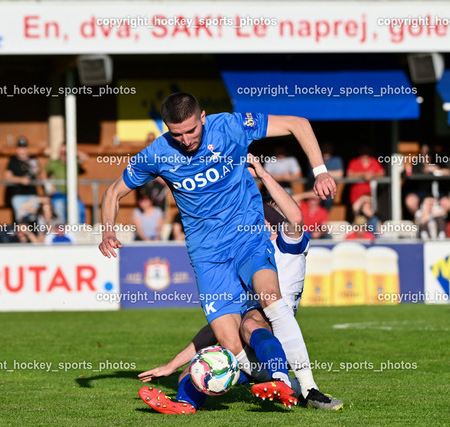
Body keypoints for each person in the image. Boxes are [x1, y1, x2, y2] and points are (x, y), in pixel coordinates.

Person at [99, 92, 339, 409]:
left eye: (191, 130)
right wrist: (108, 230)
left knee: (270, 297)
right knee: (229, 342)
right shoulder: (158, 153)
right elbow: (113, 192)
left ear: (203, 117)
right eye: (177, 134)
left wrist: (320, 170)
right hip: (207, 256)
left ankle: (306, 387)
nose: (186, 140)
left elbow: (298, 123)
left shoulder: (230, 126)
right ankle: (278, 386)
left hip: (247, 237)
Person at [138, 155, 343, 412]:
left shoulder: (287, 245)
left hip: (275, 329)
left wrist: (263, 175)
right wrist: (172, 364)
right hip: (251, 348)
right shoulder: (245, 258)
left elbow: (296, 219)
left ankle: (281, 380)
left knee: (250, 322)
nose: (264, 221)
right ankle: (184, 405)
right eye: (261, 216)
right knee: (196, 370)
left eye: (270, 216)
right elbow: (216, 327)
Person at [44, 143, 88, 223]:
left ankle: (76, 229)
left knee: (79, 211)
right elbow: (43, 173)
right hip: (58, 193)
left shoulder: (74, 162)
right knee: (59, 209)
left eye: (65, 152)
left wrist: (73, 151)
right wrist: (49, 186)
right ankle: (63, 229)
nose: (63, 154)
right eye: (62, 152)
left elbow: (85, 158)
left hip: (73, 193)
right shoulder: (55, 163)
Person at [5, 137, 41, 222]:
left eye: (24, 148)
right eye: (20, 148)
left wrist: (37, 171)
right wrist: (21, 180)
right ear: (17, 149)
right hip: (18, 194)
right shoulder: (13, 160)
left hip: (32, 194)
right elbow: (8, 176)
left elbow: (40, 174)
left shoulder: (33, 159)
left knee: (33, 218)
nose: (22, 151)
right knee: (22, 219)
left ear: (27, 149)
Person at [306, 143, 343, 211]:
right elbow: (313, 173)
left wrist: (322, 172)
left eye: (328, 148)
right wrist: (327, 173)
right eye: (325, 148)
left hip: (331, 192)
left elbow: (340, 174)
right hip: (316, 190)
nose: (326, 150)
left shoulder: (336, 159)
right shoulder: (313, 159)